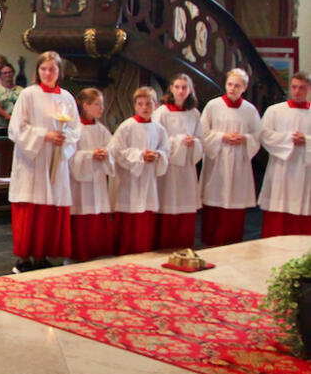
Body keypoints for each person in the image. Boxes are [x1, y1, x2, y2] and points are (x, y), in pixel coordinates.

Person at [8, 50, 80, 271]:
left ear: (60, 71)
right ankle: (24, 257)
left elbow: (76, 130)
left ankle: (42, 254)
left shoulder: (67, 98)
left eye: (53, 69)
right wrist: (45, 136)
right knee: (30, 207)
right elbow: (16, 128)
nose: (48, 73)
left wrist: (64, 138)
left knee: (49, 208)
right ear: (38, 71)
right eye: (44, 69)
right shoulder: (28, 94)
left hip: (55, 159)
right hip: (32, 160)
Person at [199, 68, 261, 246]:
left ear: (244, 88)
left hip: (238, 161)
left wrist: (245, 139)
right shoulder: (213, 105)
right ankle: (210, 240)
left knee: (235, 201)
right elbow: (202, 132)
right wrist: (222, 137)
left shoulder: (249, 110)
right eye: (230, 84)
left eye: (237, 85)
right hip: (217, 160)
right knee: (214, 199)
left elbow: (257, 135)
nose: (232, 88)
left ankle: (233, 240)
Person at [110, 87, 169, 255]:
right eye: (141, 104)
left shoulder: (159, 129)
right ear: (135, 106)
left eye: (149, 104)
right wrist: (139, 155)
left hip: (148, 178)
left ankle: (145, 249)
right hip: (130, 179)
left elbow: (166, 150)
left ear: (155, 105)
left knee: (146, 212)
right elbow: (118, 151)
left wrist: (158, 155)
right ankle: (125, 250)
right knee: (130, 216)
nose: (145, 108)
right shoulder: (127, 126)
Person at [153, 73, 203, 249]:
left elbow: (201, 138)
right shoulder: (162, 112)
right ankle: (165, 243)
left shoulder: (194, 113)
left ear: (190, 91)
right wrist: (180, 141)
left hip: (187, 166)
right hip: (169, 167)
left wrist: (194, 142)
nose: (181, 91)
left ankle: (184, 243)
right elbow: (156, 137)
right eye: (178, 87)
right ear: (171, 89)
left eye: (185, 87)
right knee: (168, 201)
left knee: (186, 203)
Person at [258, 71, 311, 237]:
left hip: (305, 170)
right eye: (294, 87)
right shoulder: (275, 111)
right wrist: (289, 139)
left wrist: (307, 140)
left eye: (301, 88)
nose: (297, 91)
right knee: (278, 206)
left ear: (308, 89)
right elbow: (264, 135)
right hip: (281, 167)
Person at [69, 88, 115, 262]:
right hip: (81, 183)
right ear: (85, 105)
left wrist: (106, 153)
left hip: (97, 179)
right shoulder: (75, 128)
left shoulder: (101, 128)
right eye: (98, 104)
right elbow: (70, 156)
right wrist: (90, 156)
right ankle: (80, 251)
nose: (101, 108)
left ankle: (98, 249)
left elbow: (113, 147)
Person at [0, 63, 22, 131]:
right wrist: (7, 117)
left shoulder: (21, 90)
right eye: (5, 73)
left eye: (9, 72)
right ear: (0, 75)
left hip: (17, 126)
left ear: (13, 73)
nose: (7, 75)